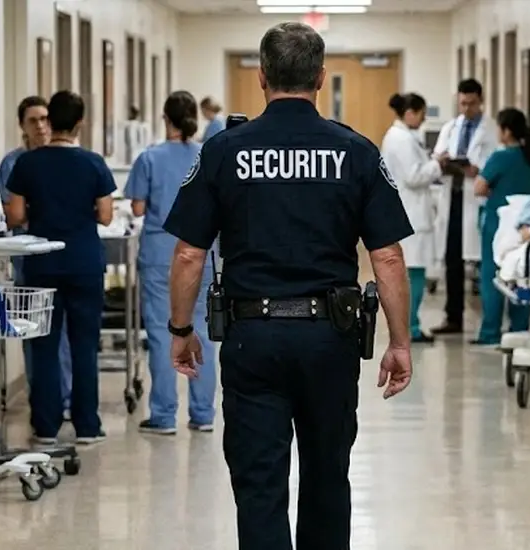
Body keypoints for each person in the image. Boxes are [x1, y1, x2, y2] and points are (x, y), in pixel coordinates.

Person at [161, 22, 414, 550]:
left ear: (262, 77)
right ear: (321, 78)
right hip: (330, 338)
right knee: (326, 479)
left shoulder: (225, 150)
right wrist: (400, 341)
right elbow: (386, 255)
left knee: (259, 486)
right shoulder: (356, 152)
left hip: (253, 339)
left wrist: (181, 328)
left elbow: (188, 253)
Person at [4, 91, 116, 445]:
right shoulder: (94, 163)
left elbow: (16, 215)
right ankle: (86, 426)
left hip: (42, 265)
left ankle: (46, 426)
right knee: (84, 346)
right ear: (80, 124)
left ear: (49, 121)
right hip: (84, 263)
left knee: (44, 346)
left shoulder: (28, 164)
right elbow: (107, 215)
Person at [124, 91, 217, 435]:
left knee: (164, 335)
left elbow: (136, 208)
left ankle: (164, 415)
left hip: (162, 257)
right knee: (204, 333)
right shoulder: (208, 156)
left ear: (166, 119)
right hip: (205, 256)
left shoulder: (150, 158)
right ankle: (204, 414)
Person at [0, 96, 73, 420]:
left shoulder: (63, 158)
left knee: (64, 333)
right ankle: (41, 399)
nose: (40, 126)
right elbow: (8, 213)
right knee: (34, 331)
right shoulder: (13, 163)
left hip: (61, 254)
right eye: (33, 121)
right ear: (22, 127)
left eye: (44, 119)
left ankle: (65, 398)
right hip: (27, 258)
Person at [430, 79, 499, 335]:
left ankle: (488, 321)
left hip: (478, 198)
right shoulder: (451, 126)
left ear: (481, 101)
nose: (466, 109)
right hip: (454, 195)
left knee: (483, 262)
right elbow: (438, 154)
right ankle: (453, 318)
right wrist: (443, 160)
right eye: (462, 103)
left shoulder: (490, 130)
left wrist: (478, 170)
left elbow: (494, 164)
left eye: (471, 103)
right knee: (452, 259)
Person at [381, 92, 445, 344]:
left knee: (413, 273)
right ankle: (411, 328)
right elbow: (413, 176)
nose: (423, 119)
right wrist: (438, 163)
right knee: (414, 273)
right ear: (410, 113)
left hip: (411, 212)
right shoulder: (401, 139)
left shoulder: (401, 136)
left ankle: (411, 325)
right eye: (421, 114)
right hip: (412, 214)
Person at [472, 107, 530, 347]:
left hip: (498, 221)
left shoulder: (500, 157)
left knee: (492, 275)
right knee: (519, 274)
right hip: (524, 223)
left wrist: (493, 190)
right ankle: (518, 330)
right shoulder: (529, 156)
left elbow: (479, 187)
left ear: (506, 131)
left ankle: (490, 332)